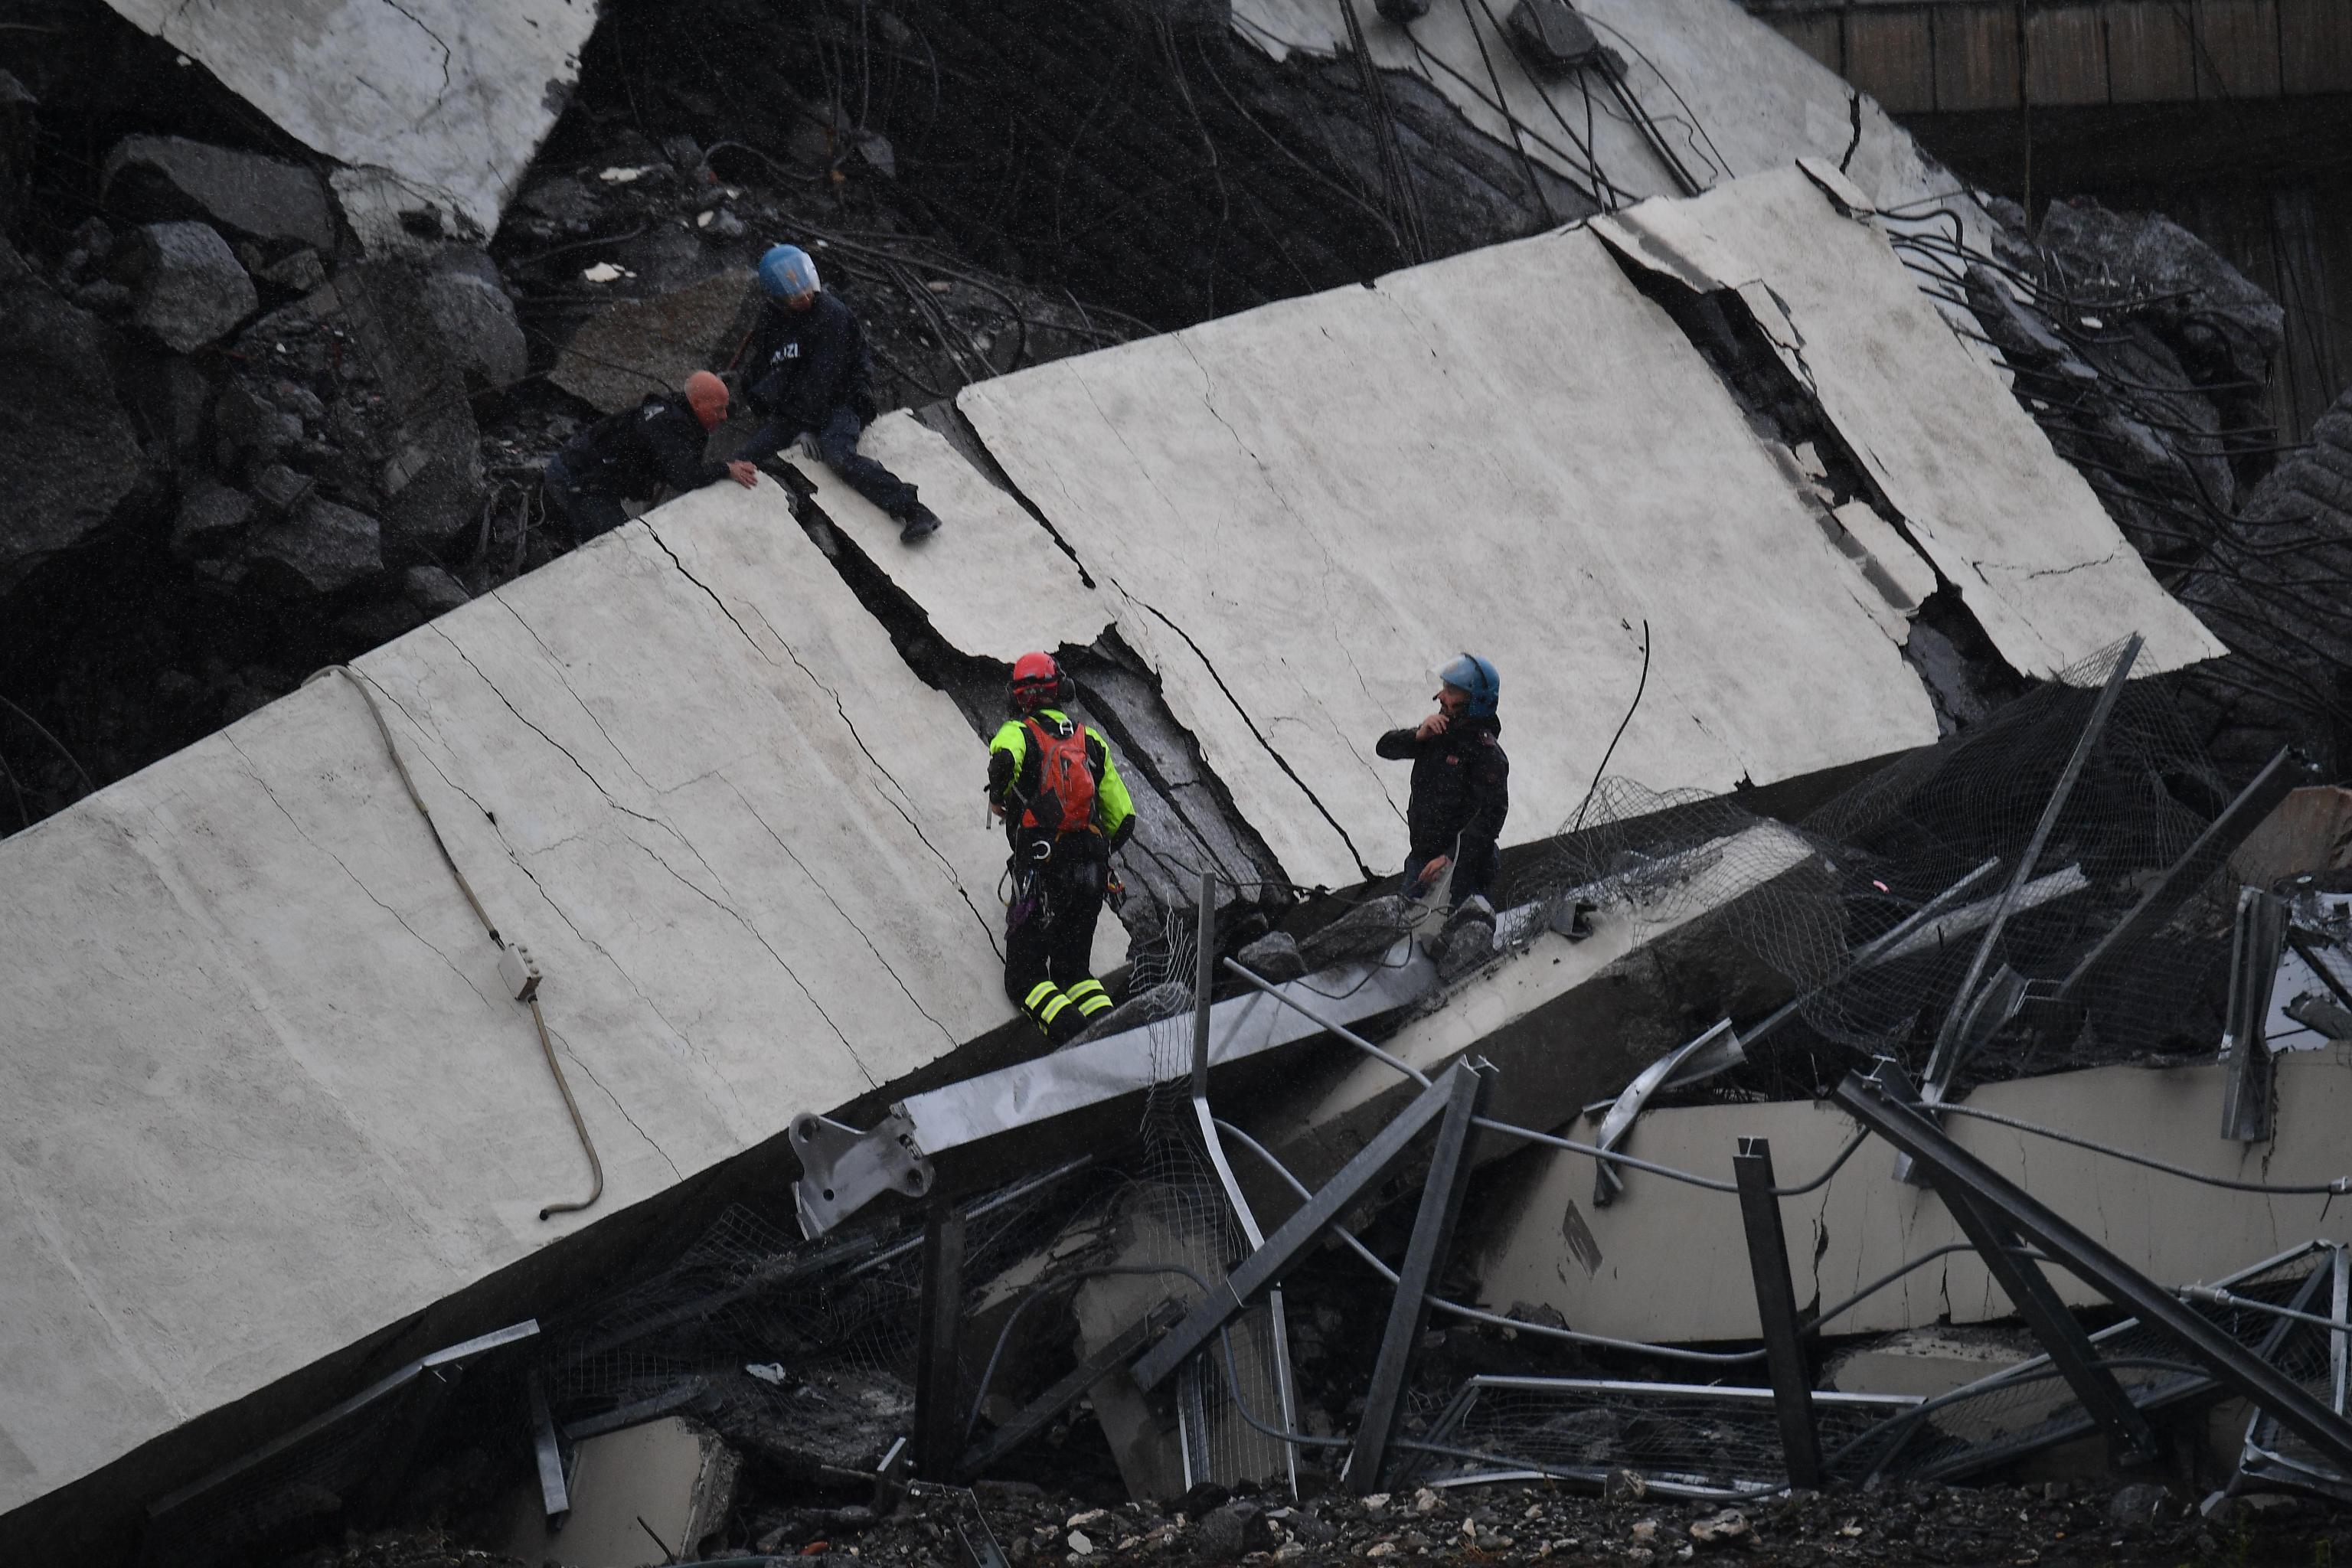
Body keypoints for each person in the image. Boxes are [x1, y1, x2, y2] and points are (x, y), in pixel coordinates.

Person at [739, 243, 942, 543]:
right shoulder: (770, 321)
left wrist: (806, 428)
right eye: (796, 298)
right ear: (778, 301)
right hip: (796, 408)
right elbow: (763, 370)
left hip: (843, 400)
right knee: (743, 461)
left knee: (838, 456)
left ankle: (912, 509)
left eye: (808, 291)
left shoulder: (832, 316)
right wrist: (761, 405)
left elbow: (824, 381)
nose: (806, 299)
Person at [988, 651, 1135, 1044]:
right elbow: (1125, 819)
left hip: (1041, 871)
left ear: (1018, 697)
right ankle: (1120, 1039)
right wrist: (1091, 849)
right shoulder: (1090, 740)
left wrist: (1000, 800)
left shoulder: (1017, 732)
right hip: (1091, 872)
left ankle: (1080, 1047)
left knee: (1025, 979)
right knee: (1075, 974)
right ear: (1062, 690)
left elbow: (1003, 762)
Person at [542, 371, 757, 542]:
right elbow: (686, 477)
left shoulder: (680, 412)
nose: (724, 416)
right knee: (616, 546)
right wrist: (727, 469)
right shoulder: (668, 426)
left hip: (590, 474)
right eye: (719, 410)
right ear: (698, 404)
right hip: (575, 478)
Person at [1375, 653, 1509, 911]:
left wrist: (1449, 858)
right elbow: (1384, 747)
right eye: (1445, 687)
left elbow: (1491, 820)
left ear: (1475, 701)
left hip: (1464, 870)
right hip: (1423, 859)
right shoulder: (1439, 732)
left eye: (1453, 691)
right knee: (1404, 932)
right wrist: (1418, 735)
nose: (1441, 696)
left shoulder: (1487, 754)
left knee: (1457, 937)